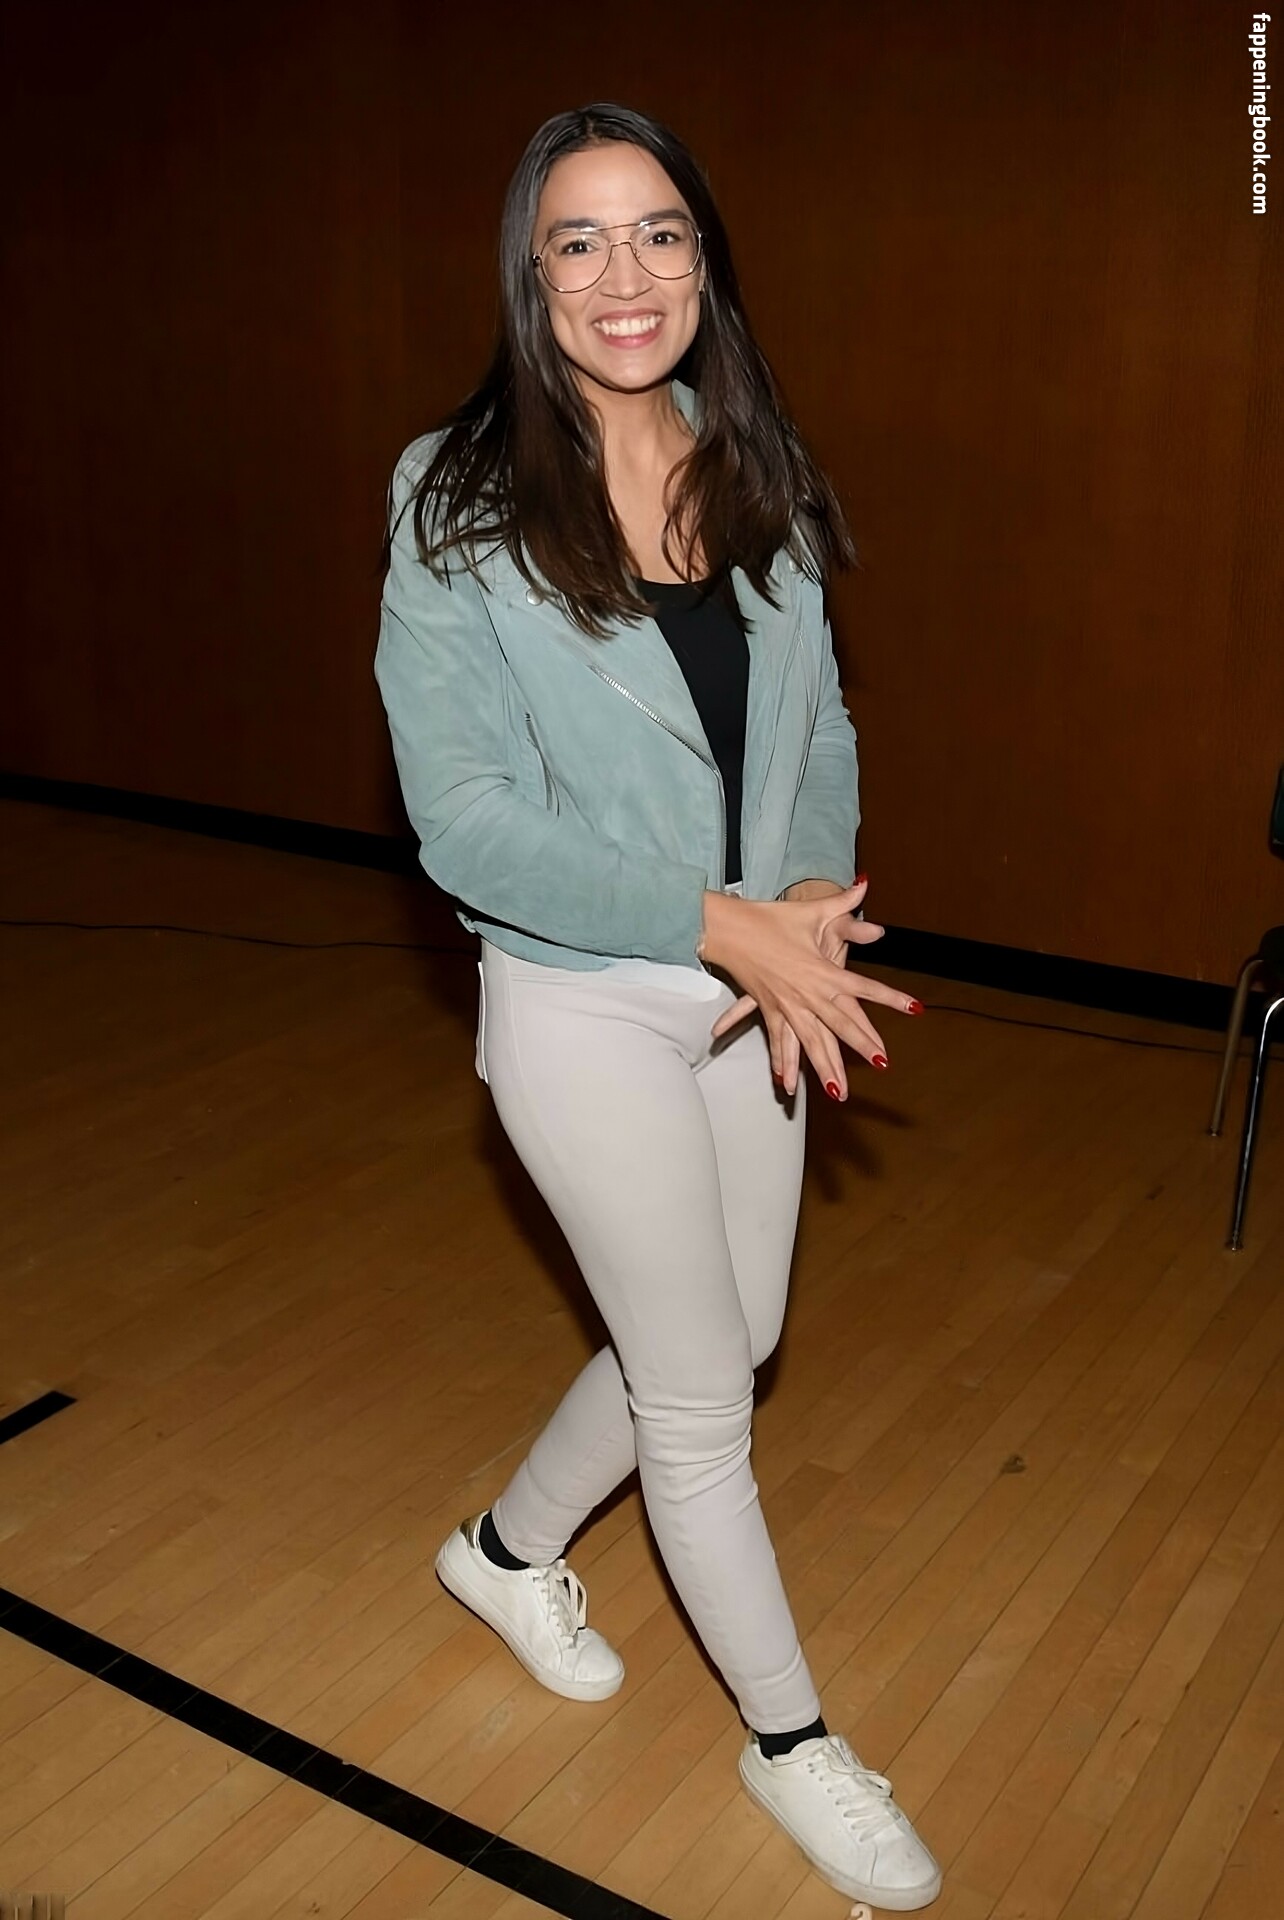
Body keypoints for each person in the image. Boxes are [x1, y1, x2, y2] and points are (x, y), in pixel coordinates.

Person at [376, 102, 940, 1910]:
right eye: (581, 240)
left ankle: (501, 1552)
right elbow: (465, 820)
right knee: (701, 1397)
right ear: (531, 276)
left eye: (661, 234)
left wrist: (804, 898)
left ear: (706, 261)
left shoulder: (749, 460)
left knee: (730, 1328)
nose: (626, 276)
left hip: (748, 978)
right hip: (586, 995)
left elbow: (820, 726)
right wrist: (717, 925)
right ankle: (795, 1743)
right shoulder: (453, 500)